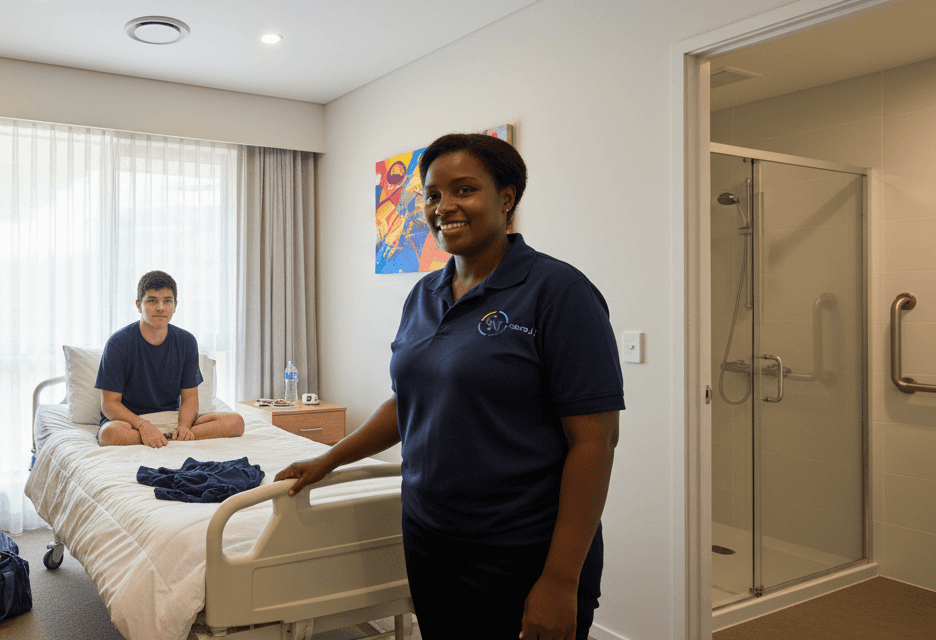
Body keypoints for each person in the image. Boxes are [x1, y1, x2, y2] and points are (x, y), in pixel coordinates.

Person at [275, 133, 624, 640]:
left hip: (521, 546)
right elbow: (408, 402)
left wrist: (559, 580)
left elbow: (595, 442)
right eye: (433, 195)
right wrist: (329, 458)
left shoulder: (558, 292)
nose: (445, 207)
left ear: (506, 198)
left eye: (464, 190)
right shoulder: (424, 294)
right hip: (429, 534)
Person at [95, 271, 246, 448]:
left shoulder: (186, 341)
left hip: (171, 418)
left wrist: (183, 427)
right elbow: (109, 404)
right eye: (152, 301)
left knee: (236, 422)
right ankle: (165, 438)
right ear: (138, 305)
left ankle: (171, 437)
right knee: (109, 435)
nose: (160, 307)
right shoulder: (118, 342)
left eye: (167, 301)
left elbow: (190, 398)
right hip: (131, 422)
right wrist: (144, 426)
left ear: (175, 305)